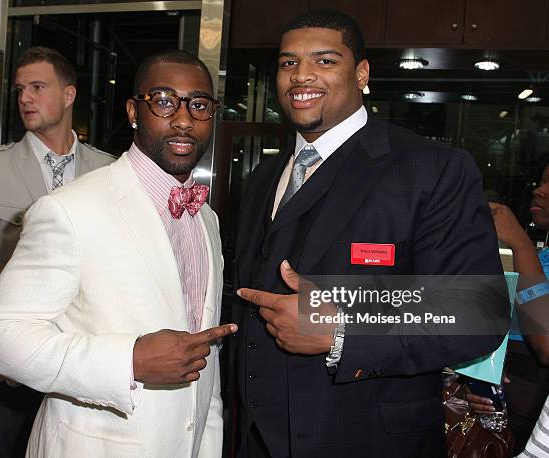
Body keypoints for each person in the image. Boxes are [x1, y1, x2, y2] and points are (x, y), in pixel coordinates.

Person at [233, 9, 509, 457]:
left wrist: (343, 330)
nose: (301, 75)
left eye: (325, 61)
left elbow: (476, 311)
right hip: (254, 440)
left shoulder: (431, 169)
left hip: (365, 439)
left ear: (361, 73)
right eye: (288, 63)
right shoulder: (264, 176)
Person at [0, 50, 237, 457]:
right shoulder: (69, 208)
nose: (184, 119)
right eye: (165, 102)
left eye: (199, 105)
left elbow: (204, 364)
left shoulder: (206, 219)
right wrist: (128, 360)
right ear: (134, 111)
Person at [0, 46, 115, 456]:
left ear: (70, 94)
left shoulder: (109, 171)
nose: (25, 98)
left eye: (38, 87)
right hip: (13, 368)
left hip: (87, 363)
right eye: (21, 89)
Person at [467, 164, 549, 454]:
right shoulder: (544, 255)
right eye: (540, 181)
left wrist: (520, 245)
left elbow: (546, 345)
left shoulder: (528, 252)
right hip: (504, 414)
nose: (539, 190)